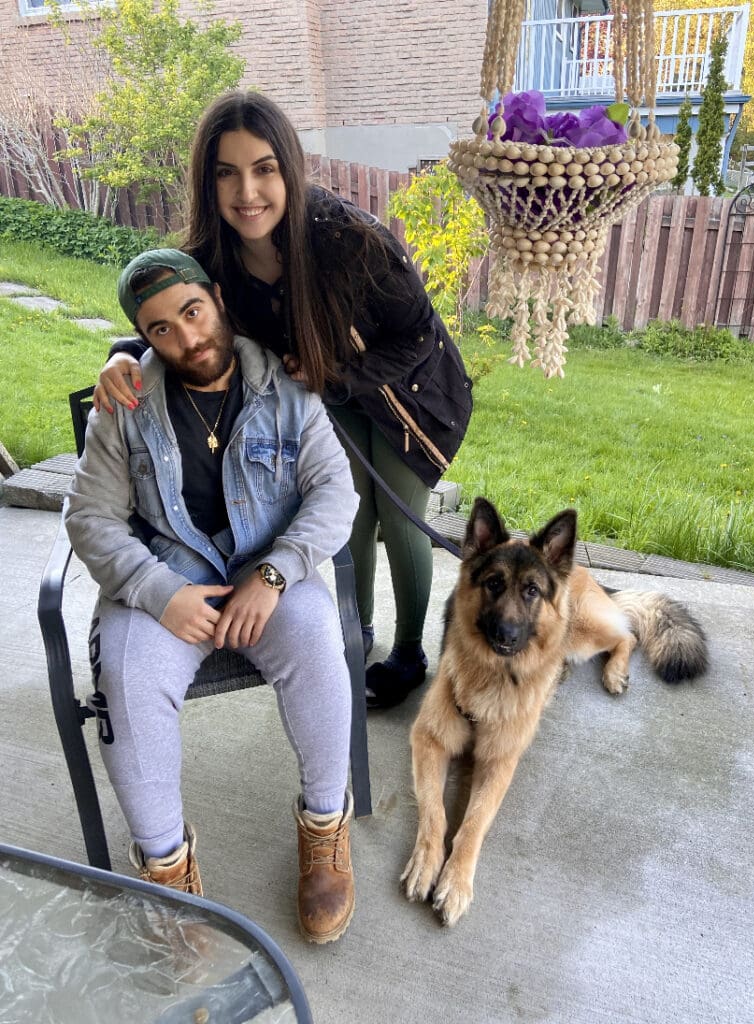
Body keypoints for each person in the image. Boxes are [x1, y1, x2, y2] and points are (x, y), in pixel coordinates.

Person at [95, 89, 473, 710]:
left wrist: (340, 377)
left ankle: (408, 652)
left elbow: (417, 333)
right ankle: (359, 631)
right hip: (325, 398)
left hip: (408, 393)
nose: (248, 192)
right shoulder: (209, 257)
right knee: (348, 518)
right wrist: (118, 353)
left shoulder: (350, 239)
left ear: (289, 170)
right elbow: (173, 320)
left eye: (264, 169)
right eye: (228, 173)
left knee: (402, 518)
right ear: (208, 181)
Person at [65, 248, 360, 945]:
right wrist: (157, 591)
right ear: (144, 336)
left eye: (192, 312)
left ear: (218, 299)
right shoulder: (128, 400)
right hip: (168, 582)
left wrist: (279, 568)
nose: (187, 338)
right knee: (127, 677)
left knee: (320, 639)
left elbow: (335, 493)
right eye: (161, 329)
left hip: (268, 577)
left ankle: (324, 828)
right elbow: (88, 517)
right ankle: (169, 876)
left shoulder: (287, 386)